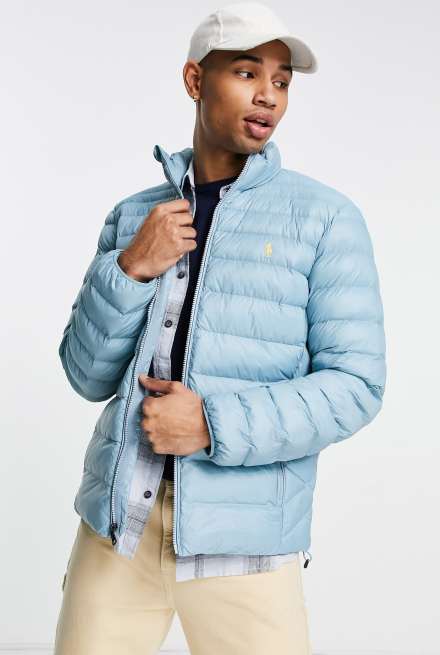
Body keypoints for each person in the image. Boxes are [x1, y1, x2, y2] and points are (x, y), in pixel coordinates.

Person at [54, 2, 387, 653]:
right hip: (118, 530)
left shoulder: (325, 219)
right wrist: (131, 268)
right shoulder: (135, 217)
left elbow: (356, 385)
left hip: (246, 551)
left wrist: (212, 423)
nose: (268, 95)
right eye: (246, 72)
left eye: (281, 80)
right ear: (194, 80)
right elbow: (85, 374)